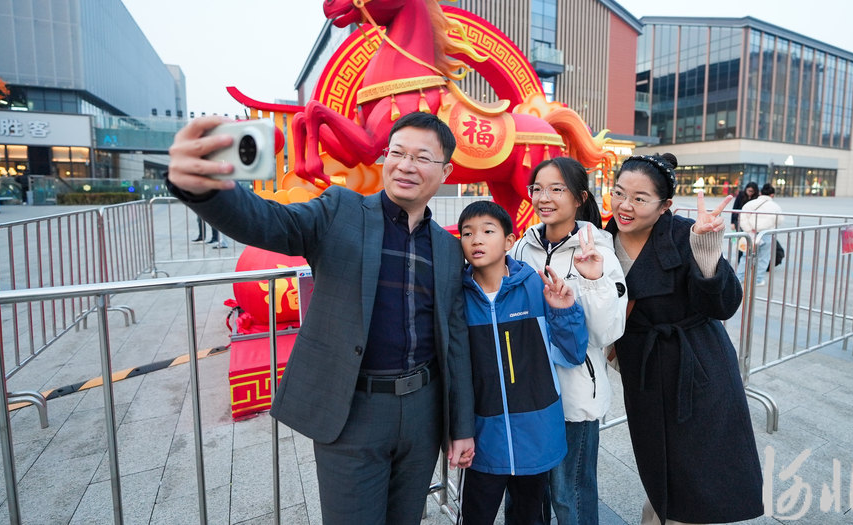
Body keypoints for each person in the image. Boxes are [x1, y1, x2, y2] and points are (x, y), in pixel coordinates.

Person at [166, 111, 475, 525]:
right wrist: (204, 186)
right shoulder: (340, 211)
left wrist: (460, 426)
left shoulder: (448, 249)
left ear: (445, 172)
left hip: (423, 413)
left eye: (421, 157)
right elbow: (270, 222)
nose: (405, 165)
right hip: (352, 411)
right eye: (397, 153)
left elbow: (455, 343)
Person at [605, 154, 763, 525]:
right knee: (658, 459)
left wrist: (707, 255)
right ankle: (658, 514)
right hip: (643, 369)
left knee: (700, 465)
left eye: (640, 198)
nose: (625, 206)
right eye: (619, 193)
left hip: (698, 363)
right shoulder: (601, 240)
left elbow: (724, 306)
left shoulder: (686, 233)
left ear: (665, 206)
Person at [509, 157, 627, 525]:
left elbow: (607, 333)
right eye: (537, 189)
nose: (544, 197)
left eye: (556, 189)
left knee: (569, 492)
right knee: (532, 491)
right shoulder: (523, 247)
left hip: (575, 395)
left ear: (579, 198)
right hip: (529, 393)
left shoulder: (598, 252)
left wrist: (592, 280)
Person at [457, 200, 587, 525]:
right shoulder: (456, 296)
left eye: (488, 231)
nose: (476, 239)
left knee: (530, 517)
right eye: (467, 233)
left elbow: (573, 352)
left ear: (509, 241)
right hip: (483, 438)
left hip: (536, 434)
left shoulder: (535, 286)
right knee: (475, 516)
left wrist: (564, 311)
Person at [737, 183, 784, 287]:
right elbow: (779, 220)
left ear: (760, 193)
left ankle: (739, 277)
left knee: (746, 256)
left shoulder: (751, 204)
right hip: (766, 233)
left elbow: (742, 218)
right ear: (772, 195)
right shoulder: (775, 206)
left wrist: (749, 229)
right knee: (764, 257)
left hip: (751, 233)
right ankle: (758, 279)